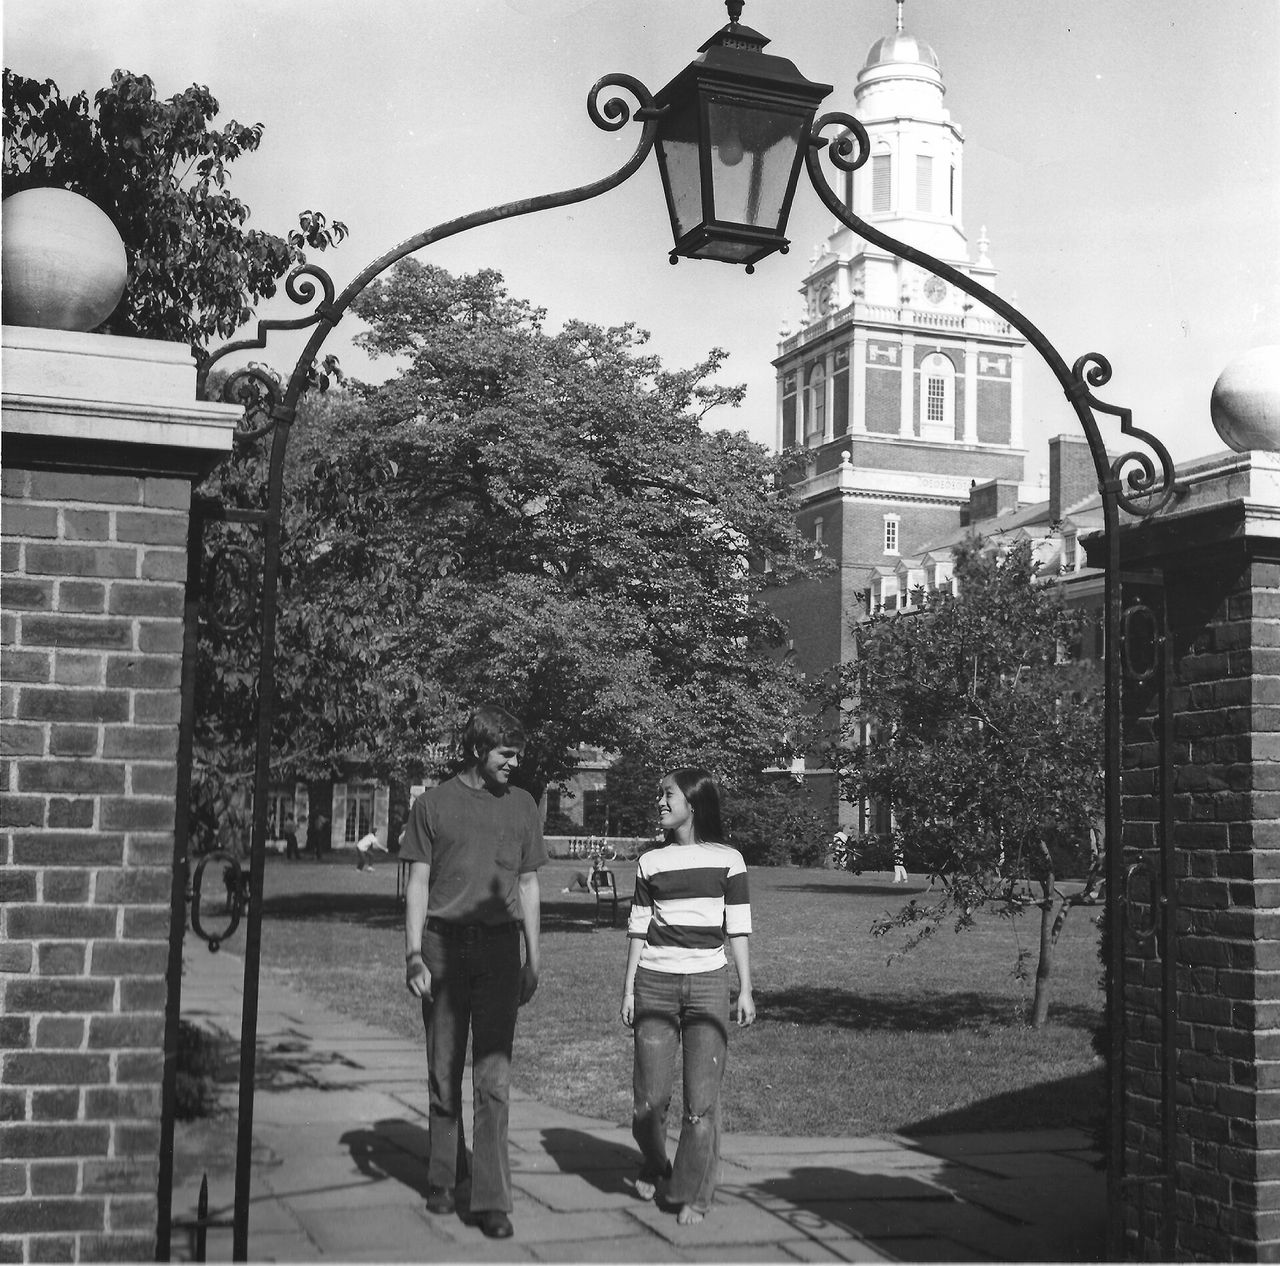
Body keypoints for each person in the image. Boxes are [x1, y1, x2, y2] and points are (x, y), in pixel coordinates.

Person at [402, 704, 547, 1241]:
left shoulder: (524, 805)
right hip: (441, 949)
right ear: (476, 750)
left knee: (493, 1078)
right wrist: (413, 953)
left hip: (497, 953)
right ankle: (443, 1177)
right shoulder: (434, 804)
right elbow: (418, 883)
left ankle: (490, 1199)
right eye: (506, 754)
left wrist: (535, 957)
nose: (514, 763)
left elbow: (529, 885)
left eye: (518, 755)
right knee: (443, 1071)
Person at [620, 767, 754, 1226]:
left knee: (701, 1103)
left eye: (668, 795)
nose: (660, 802)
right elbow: (638, 926)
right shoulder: (649, 862)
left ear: (692, 804)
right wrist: (628, 988)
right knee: (647, 1103)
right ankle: (656, 1162)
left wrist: (746, 989)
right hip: (654, 984)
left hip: (708, 985)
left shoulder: (729, 860)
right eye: (660, 795)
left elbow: (737, 926)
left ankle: (693, 1194)